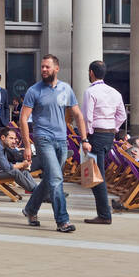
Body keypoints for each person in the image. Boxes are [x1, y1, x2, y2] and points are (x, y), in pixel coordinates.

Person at [19, 54, 88, 233]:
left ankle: (30, 210)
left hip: (61, 140)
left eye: (47, 67)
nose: (43, 70)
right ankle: (62, 221)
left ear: (56, 69)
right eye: (42, 67)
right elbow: (23, 118)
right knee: (57, 178)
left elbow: (78, 115)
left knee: (50, 178)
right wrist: (27, 145)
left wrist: (84, 139)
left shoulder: (66, 89)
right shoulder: (34, 91)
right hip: (43, 138)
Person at [80, 60, 126, 224]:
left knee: (96, 176)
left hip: (95, 136)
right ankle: (103, 213)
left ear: (91, 72)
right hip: (108, 136)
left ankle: (104, 214)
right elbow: (122, 115)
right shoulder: (115, 92)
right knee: (97, 174)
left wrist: (86, 138)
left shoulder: (90, 92)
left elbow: (87, 117)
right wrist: (113, 128)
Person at [0, 127, 36, 194]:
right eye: (11, 138)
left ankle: (37, 190)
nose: (14, 141)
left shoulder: (2, 146)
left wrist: (22, 166)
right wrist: (22, 165)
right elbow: (6, 167)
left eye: (14, 138)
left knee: (24, 172)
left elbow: (6, 165)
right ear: (3, 137)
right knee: (15, 172)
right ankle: (37, 192)